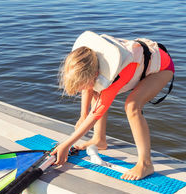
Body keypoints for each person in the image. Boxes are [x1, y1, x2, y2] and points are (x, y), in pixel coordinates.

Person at [52, 31, 175, 180]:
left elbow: (97, 112)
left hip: (162, 67)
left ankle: (146, 164)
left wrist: (66, 144)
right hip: (140, 60)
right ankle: (99, 139)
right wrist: (83, 115)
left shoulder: (117, 71)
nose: (81, 89)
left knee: (132, 106)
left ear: (96, 74)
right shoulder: (86, 61)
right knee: (96, 90)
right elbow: (89, 87)